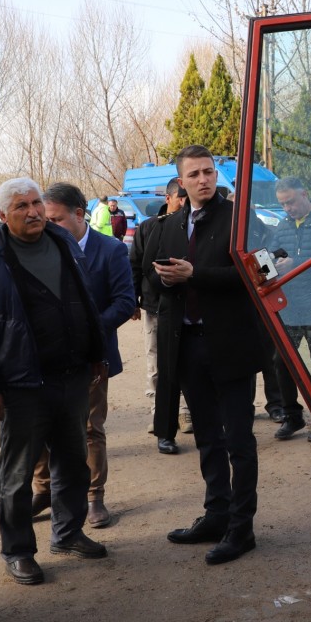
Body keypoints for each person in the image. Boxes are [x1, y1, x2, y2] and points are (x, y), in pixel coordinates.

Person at [0, 178, 109, 586]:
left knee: (72, 461)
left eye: (36, 203)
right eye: (21, 206)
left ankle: (67, 534)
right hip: (22, 387)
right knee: (16, 477)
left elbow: (87, 300)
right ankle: (18, 551)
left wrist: (96, 353)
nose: (33, 211)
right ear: (2, 216)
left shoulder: (64, 243)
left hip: (72, 378)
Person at [154, 145, 272, 565]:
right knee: (206, 437)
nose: (204, 180)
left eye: (209, 172)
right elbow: (157, 289)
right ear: (181, 183)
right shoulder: (170, 225)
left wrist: (196, 276)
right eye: (195, 175)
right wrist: (166, 281)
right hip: (187, 345)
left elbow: (264, 271)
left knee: (238, 439)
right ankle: (216, 514)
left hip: (231, 344)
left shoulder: (241, 219)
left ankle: (242, 529)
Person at [31, 183, 136, 529]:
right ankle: (42, 490)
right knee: (41, 424)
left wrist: (87, 332)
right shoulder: (39, 249)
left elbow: (124, 302)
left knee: (90, 427)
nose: (48, 226)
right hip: (46, 357)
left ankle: (94, 497)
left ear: (79, 214)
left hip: (92, 357)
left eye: (56, 219)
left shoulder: (110, 251)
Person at [264, 176, 311, 441]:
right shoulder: (282, 226)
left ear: (305, 194)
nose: (288, 208)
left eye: (291, 202)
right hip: (289, 305)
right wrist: (269, 265)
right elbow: (268, 257)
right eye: (283, 204)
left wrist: (295, 263)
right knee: (282, 362)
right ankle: (293, 417)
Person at [133, 179, 192, 453]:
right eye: (181, 195)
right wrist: (137, 298)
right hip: (162, 307)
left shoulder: (220, 221)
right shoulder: (154, 227)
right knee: (161, 366)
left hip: (206, 309)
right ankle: (164, 425)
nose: (184, 200)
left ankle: (196, 419)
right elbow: (142, 266)